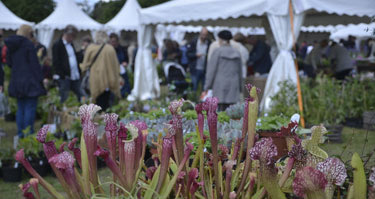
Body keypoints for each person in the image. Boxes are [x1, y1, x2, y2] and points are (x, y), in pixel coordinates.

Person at [4, 25, 46, 137]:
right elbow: (34, 65)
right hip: (29, 80)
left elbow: (9, 63)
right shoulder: (28, 45)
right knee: (30, 107)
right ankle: (28, 134)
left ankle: (20, 133)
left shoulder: (11, 46)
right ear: (28, 33)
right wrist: (41, 80)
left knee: (21, 107)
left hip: (16, 80)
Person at [80, 31, 121, 111]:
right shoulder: (110, 49)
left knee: (97, 103)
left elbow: (84, 66)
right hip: (109, 81)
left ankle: (98, 119)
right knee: (106, 103)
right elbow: (116, 66)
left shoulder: (90, 48)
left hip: (95, 80)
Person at [203, 30, 242, 111]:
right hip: (233, 84)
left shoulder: (217, 51)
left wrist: (207, 86)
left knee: (220, 112)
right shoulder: (237, 52)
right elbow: (240, 72)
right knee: (232, 112)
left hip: (220, 85)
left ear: (220, 39)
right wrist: (240, 87)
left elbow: (211, 71)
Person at [52, 25, 82, 103]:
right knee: (64, 96)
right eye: (72, 36)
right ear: (67, 34)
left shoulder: (71, 44)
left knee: (80, 94)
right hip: (65, 77)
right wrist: (62, 75)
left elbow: (73, 57)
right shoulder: (57, 45)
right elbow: (56, 62)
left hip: (75, 75)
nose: (73, 38)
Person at [109, 33, 131, 97]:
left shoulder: (122, 49)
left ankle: (124, 95)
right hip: (112, 70)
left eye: (114, 41)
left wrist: (125, 63)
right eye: (112, 42)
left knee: (124, 83)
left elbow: (126, 59)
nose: (113, 43)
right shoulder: (109, 51)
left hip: (121, 70)